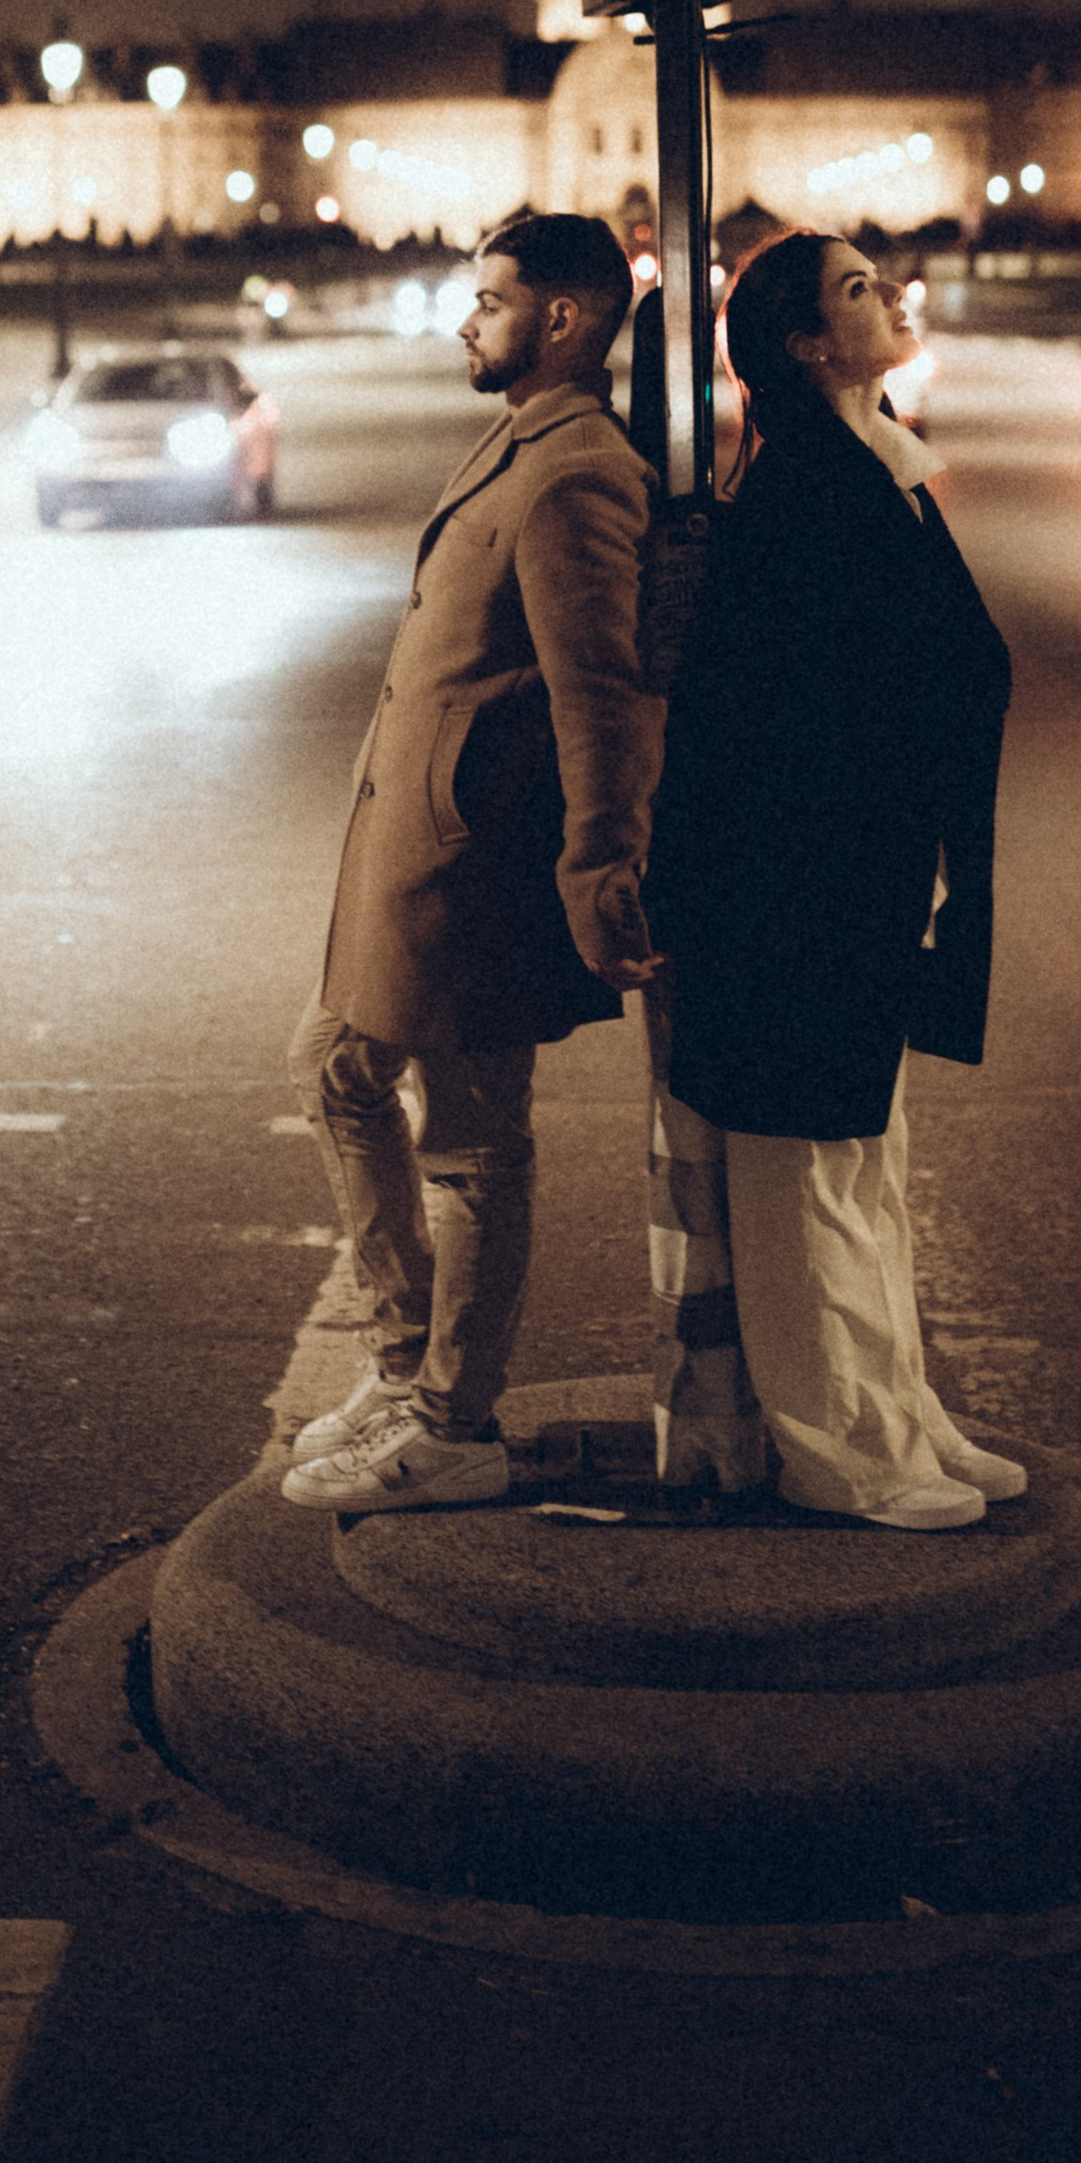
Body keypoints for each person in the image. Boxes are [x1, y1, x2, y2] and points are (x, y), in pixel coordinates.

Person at [282, 211, 663, 1514]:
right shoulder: (523, 438)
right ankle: (402, 1367)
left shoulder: (577, 473)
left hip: (478, 860)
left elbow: (600, 695)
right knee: (335, 1068)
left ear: (564, 319)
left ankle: (453, 1421)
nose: (466, 318)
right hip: (417, 844)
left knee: (477, 1144)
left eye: (491, 299)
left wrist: (599, 867)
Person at [648, 229, 1019, 1529]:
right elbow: (756, 729)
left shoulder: (875, 469)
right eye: (858, 289)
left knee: (863, 1170)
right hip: (792, 900)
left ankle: (899, 1414)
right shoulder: (806, 496)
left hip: (857, 887)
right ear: (805, 346)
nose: (889, 296)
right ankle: (837, 1452)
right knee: (803, 1180)